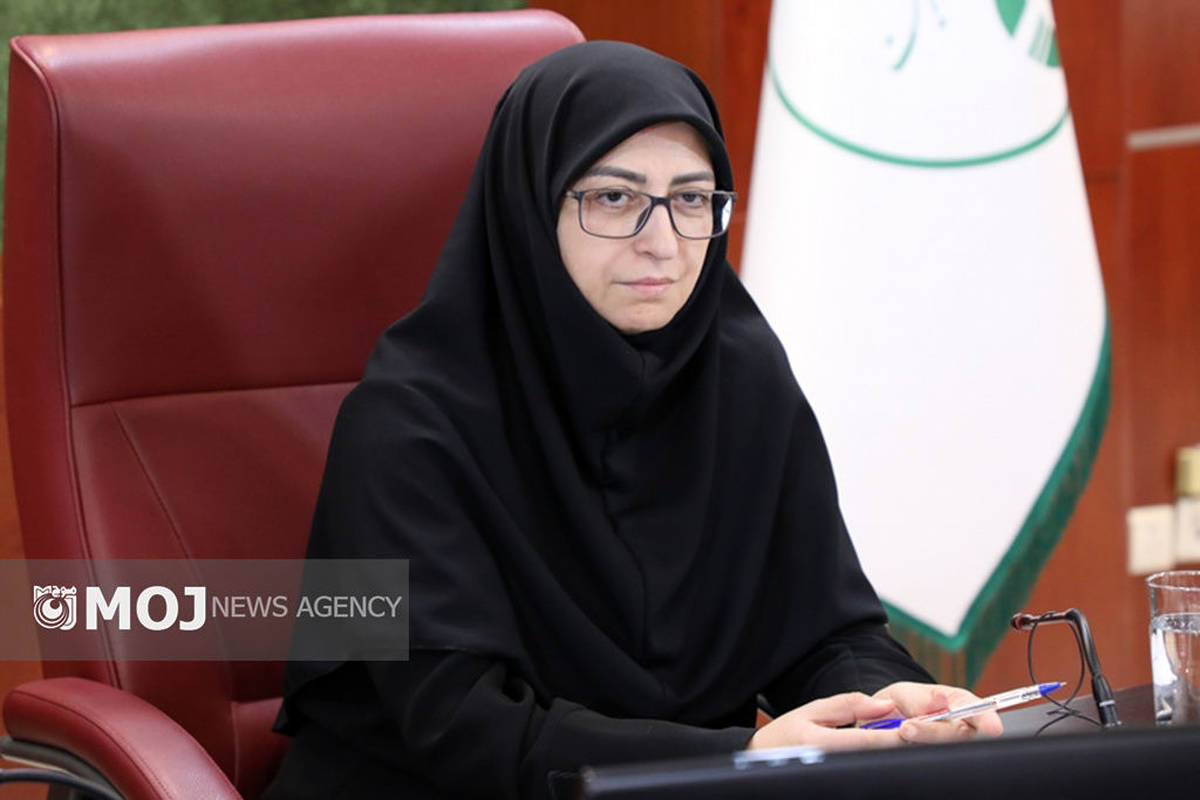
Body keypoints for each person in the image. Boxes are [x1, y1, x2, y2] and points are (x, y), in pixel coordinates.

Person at [264, 40, 1001, 800]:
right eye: (614, 198)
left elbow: (822, 631)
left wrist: (887, 702)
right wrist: (740, 754)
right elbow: (459, 725)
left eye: (692, 199)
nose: (663, 244)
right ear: (532, 205)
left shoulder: (742, 379)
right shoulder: (401, 423)